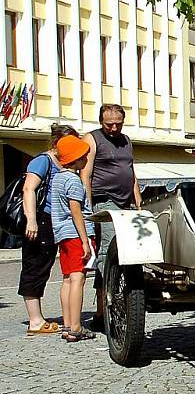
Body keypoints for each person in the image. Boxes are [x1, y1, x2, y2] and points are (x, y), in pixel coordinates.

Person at [80, 104, 142, 330]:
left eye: (118, 123)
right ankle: (111, 297)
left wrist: (137, 199)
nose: (114, 127)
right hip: (104, 200)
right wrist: (88, 208)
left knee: (125, 247)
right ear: (101, 122)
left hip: (125, 201)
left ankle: (102, 310)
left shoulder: (126, 140)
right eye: (109, 124)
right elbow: (85, 174)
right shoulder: (92, 139)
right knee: (109, 249)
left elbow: (131, 171)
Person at [18, 125, 79, 335]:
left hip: (56, 221)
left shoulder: (63, 163)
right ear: (57, 143)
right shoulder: (43, 160)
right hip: (42, 221)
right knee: (35, 266)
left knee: (48, 267)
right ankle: (35, 321)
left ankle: (40, 318)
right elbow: (29, 189)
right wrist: (31, 220)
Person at [51, 135, 97, 342]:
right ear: (76, 158)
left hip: (62, 233)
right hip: (76, 234)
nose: (87, 158)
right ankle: (76, 327)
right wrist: (85, 240)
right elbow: (76, 211)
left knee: (68, 278)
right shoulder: (74, 180)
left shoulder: (58, 178)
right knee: (79, 278)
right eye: (84, 155)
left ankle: (68, 325)